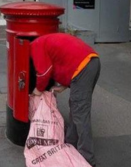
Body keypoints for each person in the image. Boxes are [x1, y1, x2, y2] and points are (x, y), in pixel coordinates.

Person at [31, 33, 100, 167]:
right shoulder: (45, 41)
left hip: (83, 68)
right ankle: (70, 143)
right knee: (76, 107)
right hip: (91, 62)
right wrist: (64, 85)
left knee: (80, 113)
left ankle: (87, 159)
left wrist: (38, 90)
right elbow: (67, 58)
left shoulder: (35, 46)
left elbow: (44, 71)